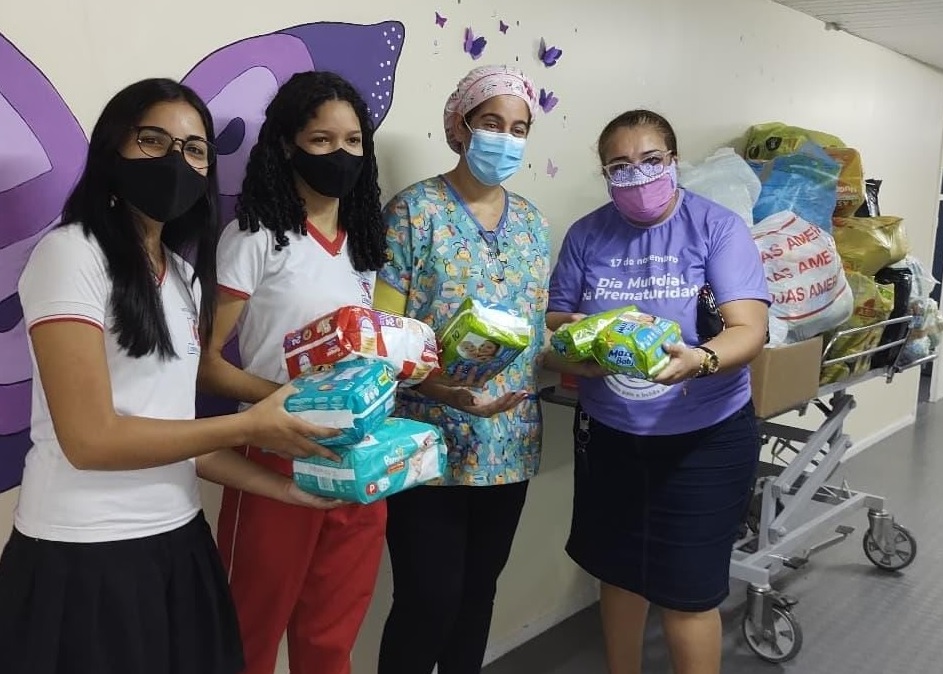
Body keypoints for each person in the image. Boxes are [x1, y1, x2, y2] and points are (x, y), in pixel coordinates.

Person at [0, 78, 341, 674]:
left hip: (180, 542)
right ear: (113, 149)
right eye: (153, 141)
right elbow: (91, 440)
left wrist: (287, 492)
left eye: (194, 150)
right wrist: (249, 426)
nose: (176, 161)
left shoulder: (183, 280)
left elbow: (183, 441)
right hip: (85, 554)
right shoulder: (72, 254)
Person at [542, 109, 770, 674]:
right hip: (611, 437)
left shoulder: (716, 228)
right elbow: (557, 321)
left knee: (686, 595)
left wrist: (700, 360)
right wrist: (582, 345)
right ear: (604, 173)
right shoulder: (586, 235)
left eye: (650, 161)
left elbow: (749, 329)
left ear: (673, 161)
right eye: (619, 166)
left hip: (706, 438)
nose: (637, 176)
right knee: (619, 575)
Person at [196, 71, 388, 674]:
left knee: (331, 638)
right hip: (272, 456)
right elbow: (206, 364)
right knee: (249, 631)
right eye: (321, 140)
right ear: (286, 145)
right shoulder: (253, 237)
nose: (340, 154)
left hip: (356, 458)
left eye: (353, 141)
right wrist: (289, 403)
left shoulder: (364, 242)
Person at [373, 64, 550, 674]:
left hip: (509, 440)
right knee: (427, 600)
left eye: (519, 128)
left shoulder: (532, 225)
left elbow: (536, 330)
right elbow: (382, 336)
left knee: (478, 596)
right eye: (491, 123)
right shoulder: (412, 213)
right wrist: (438, 387)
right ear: (459, 127)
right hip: (426, 439)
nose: (507, 138)